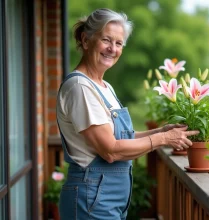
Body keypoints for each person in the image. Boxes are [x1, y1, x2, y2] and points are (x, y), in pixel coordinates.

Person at [56, 8, 199, 220]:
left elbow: (122, 138)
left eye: (119, 43)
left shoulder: (104, 87)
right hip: (91, 199)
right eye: (106, 40)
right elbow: (111, 151)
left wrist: (162, 131)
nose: (112, 49)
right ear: (86, 40)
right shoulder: (80, 87)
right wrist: (163, 139)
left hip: (106, 198)